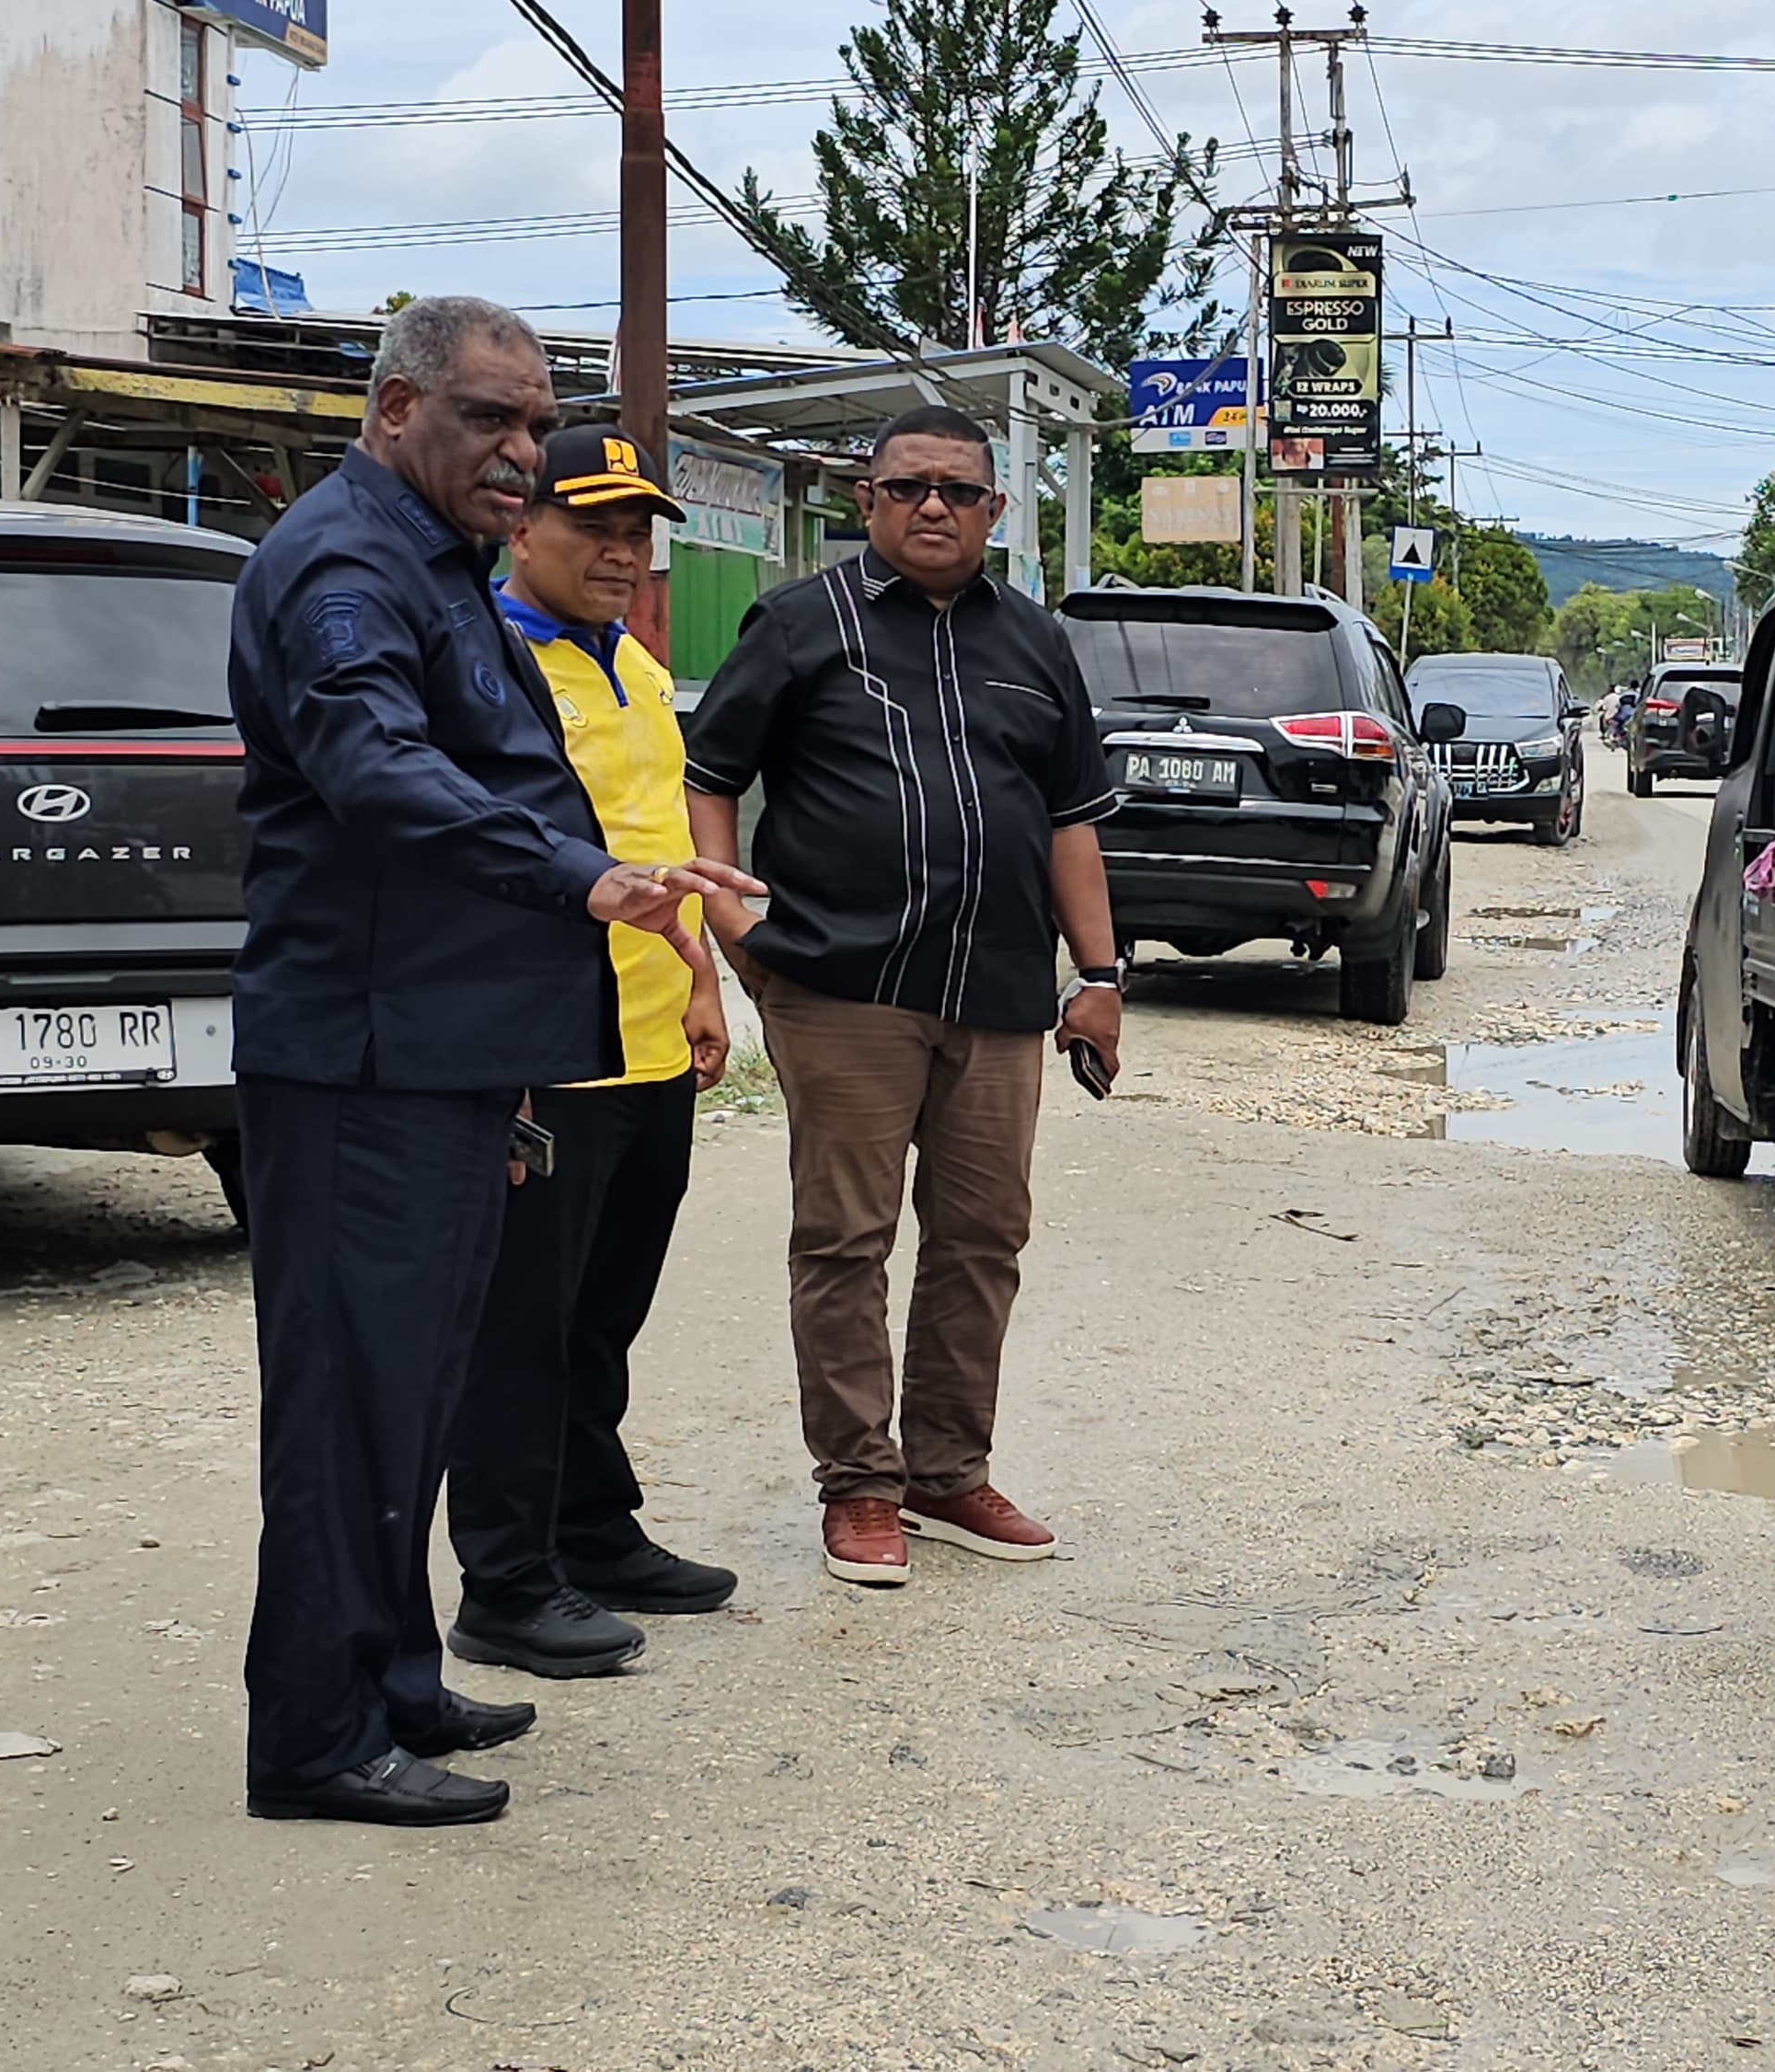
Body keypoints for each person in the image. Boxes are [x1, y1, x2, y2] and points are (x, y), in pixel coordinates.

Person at [227, 296, 755, 1826]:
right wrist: (581, 874)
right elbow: (371, 764)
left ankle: (391, 1676)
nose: (522, 452)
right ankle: (318, 1738)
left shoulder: (431, 559)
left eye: (534, 422)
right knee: (347, 1405)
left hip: (443, 1056)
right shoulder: (342, 563)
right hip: (362, 1059)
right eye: (489, 419)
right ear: (395, 412)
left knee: (414, 1389)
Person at [681, 403, 1123, 1590]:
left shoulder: (1035, 643)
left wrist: (1099, 975)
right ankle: (860, 1486)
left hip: (997, 994)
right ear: (865, 501)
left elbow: (1072, 822)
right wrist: (737, 923)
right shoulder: (797, 623)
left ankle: (944, 1468)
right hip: (844, 988)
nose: (934, 506)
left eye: (960, 490)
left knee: (984, 1236)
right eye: (909, 486)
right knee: (845, 1240)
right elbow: (710, 775)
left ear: (994, 512)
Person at [441, 425, 740, 1681]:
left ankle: (592, 1531)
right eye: (594, 527)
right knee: (521, 1327)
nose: (623, 553)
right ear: (521, 528)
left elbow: (657, 840)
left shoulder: (631, 663)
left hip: (648, 1041)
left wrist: (705, 984)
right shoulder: (482, 664)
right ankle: (505, 1583)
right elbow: (465, 866)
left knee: (601, 1317)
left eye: (638, 532)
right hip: (543, 1054)